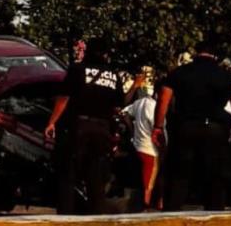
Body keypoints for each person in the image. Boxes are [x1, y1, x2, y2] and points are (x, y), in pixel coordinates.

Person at [152, 40, 231, 211]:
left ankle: (171, 215)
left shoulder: (179, 73)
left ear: (196, 53)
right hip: (215, 131)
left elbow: (164, 98)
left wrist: (158, 127)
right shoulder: (224, 75)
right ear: (215, 55)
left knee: (179, 177)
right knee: (215, 180)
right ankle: (215, 215)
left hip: (185, 128)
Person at [45, 39, 124, 214]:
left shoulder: (77, 69)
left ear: (87, 51)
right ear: (105, 53)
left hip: (79, 126)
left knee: (68, 174)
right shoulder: (113, 74)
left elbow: (64, 98)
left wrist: (52, 122)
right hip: (102, 129)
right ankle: (96, 216)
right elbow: (118, 105)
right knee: (96, 177)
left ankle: (66, 216)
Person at [121, 66, 164, 210]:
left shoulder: (140, 103)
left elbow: (124, 112)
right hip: (151, 150)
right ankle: (146, 209)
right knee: (149, 185)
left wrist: (132, 130)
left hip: (138, 146)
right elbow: (159, 131)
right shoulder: (155, 108)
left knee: (143, 182)